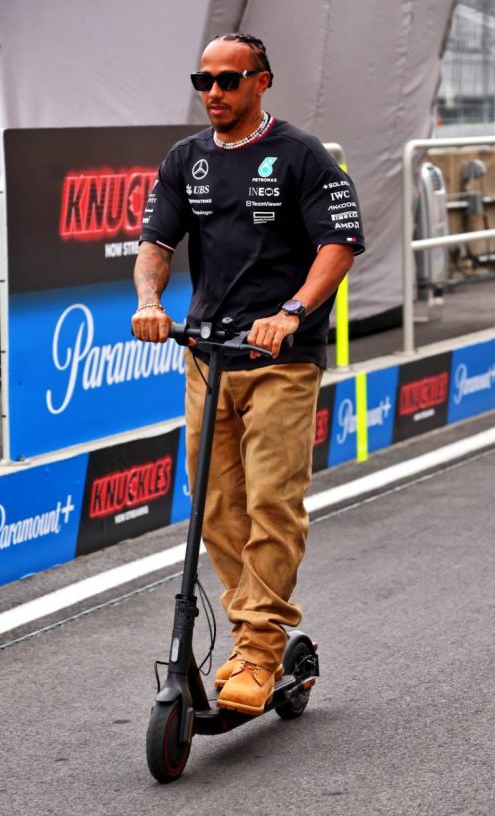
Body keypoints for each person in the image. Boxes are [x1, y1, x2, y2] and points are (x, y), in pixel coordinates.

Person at [132, 32, 365, 716]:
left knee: (271, 502)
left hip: (280, 360)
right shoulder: (186, 159)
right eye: (203, 80)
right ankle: (249, 636)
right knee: (215, 508)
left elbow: (338, 245)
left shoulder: (301, 154)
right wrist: (150, 303)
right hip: (208, 354)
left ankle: (260, 649)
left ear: (261, 81)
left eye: (228, 80)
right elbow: (155, 244)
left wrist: (290, 312)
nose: (213, 92)